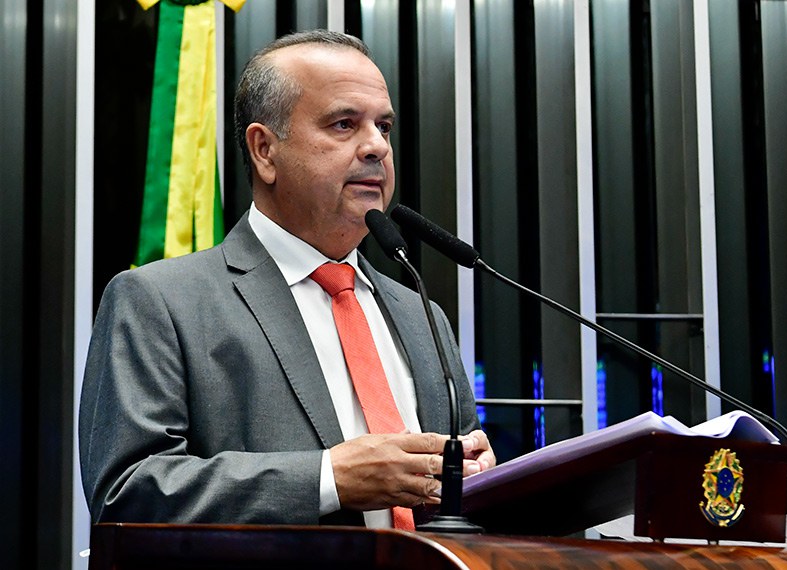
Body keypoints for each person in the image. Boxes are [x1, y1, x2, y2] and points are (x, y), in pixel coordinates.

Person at [78, 29, 494, 529]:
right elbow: (127, 492)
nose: (376, 148)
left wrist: (475, 479)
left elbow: (460, 498)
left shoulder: (420, 312)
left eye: (384, 127)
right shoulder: (160, 302)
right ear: (264, 151)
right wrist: (329, 479)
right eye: (344, 124)